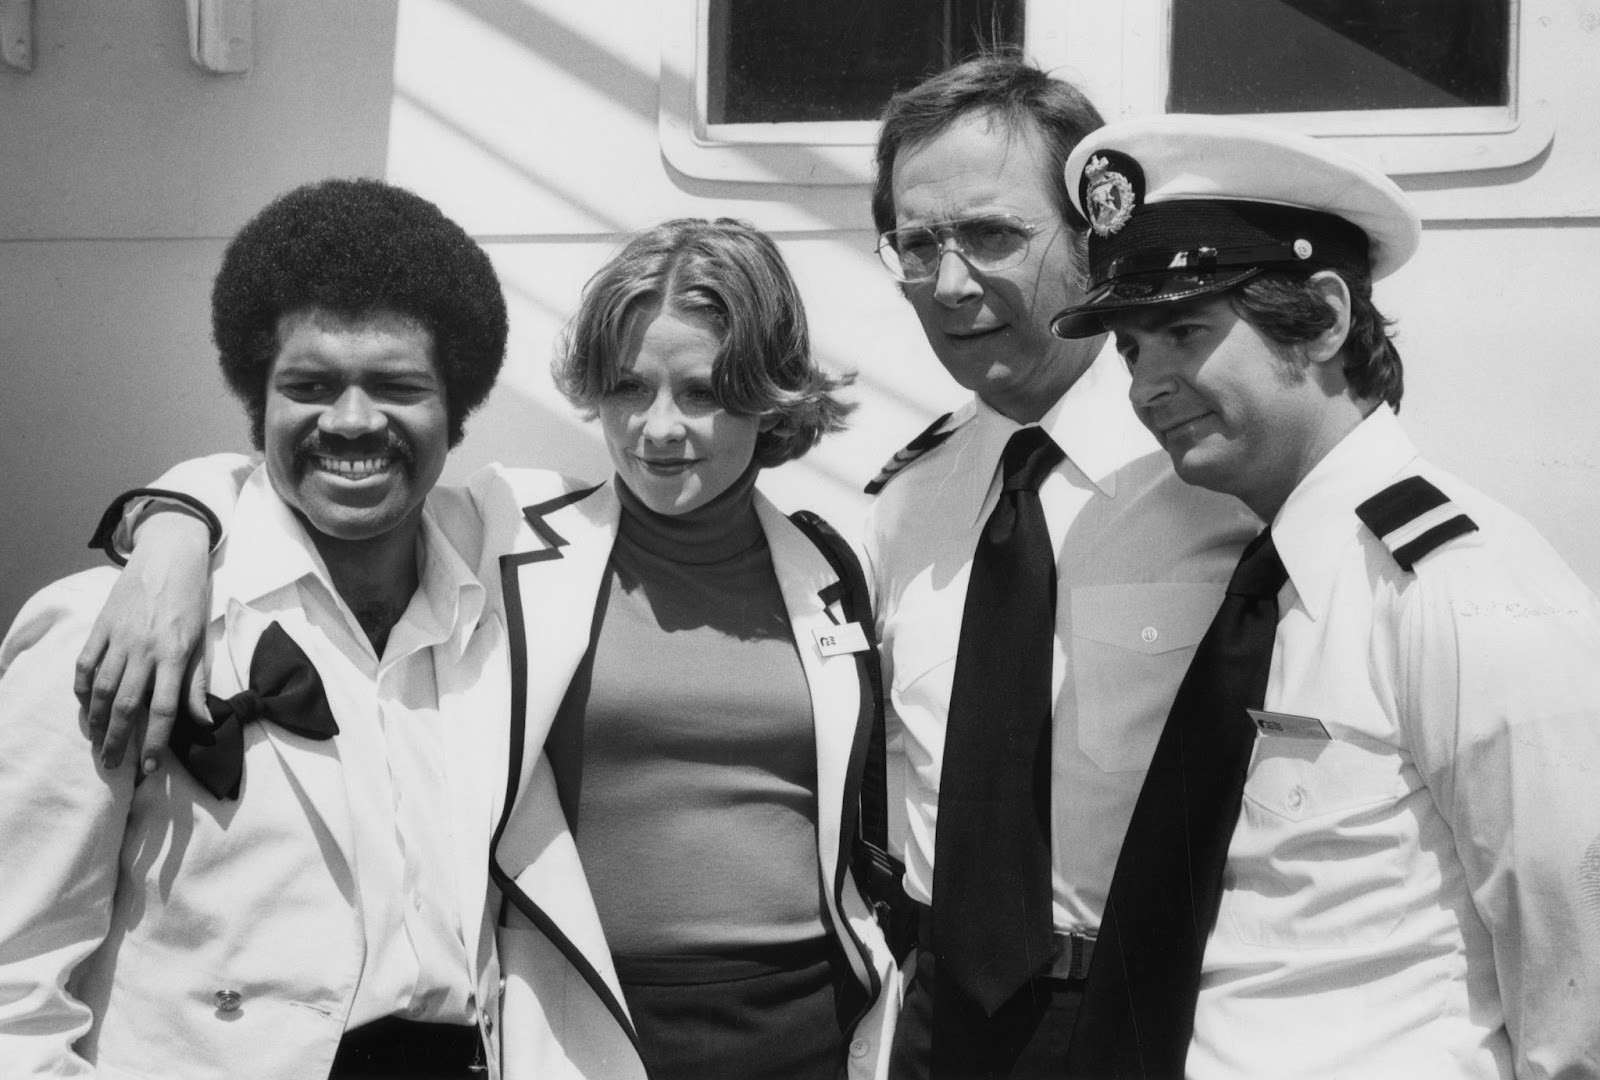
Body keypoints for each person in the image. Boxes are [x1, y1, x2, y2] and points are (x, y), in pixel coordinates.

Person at [62, 218, 902, 1079]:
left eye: (700, 393)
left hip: (809, 1021)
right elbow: (297, 476)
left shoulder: (834, 564)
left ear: (770, 394)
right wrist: (170, 529)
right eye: (626, 389)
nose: (658, 429)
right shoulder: (507, 532)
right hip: (587, 1017)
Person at [1050, 112, 1600, 1077]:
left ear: (1328, 316)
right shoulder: (1264, 577)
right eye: (1131, 350)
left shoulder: (1459, 585)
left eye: (1183, 330)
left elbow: (1580, 971)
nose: (1147, 386)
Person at [0, 177, 511, 1077]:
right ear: (257, 400)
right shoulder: (114, 626)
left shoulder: (509, 594)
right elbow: (14, 978)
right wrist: (176, 520)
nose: (352, 422)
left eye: (397, 386)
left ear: (455, 407)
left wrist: (173, 509)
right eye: (310, 386)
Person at [863, 53, 1258, 1077]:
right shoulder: (903, 504)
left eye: (993, 235)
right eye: (917, 245)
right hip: (937, 1021)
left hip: (1153, 1013)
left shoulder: (1214, 475)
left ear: (1093, 238)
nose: (950, 284)